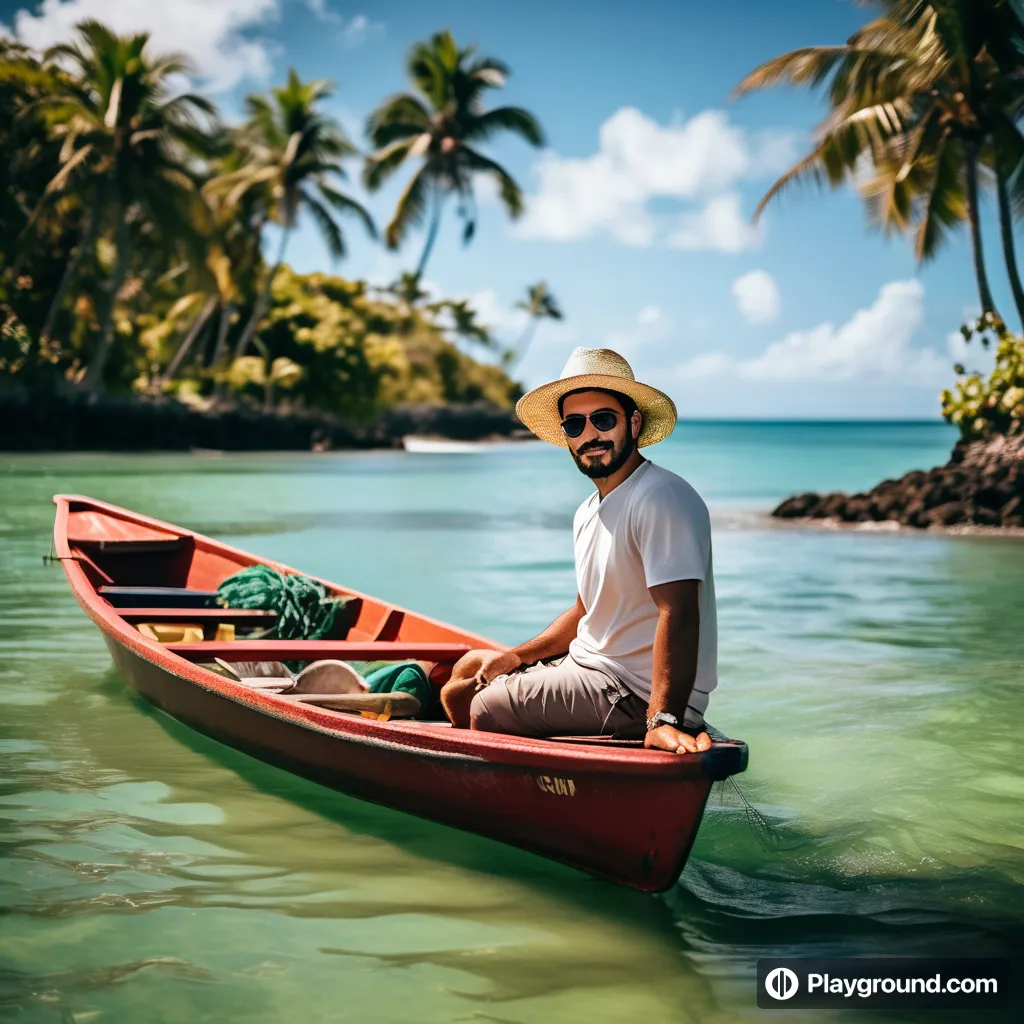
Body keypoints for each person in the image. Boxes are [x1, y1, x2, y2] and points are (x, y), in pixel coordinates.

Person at [441, 347, 716, 754]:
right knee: (467, 671)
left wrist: (663, 719)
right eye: (574, 424)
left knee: (484, 707)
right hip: (589, 669)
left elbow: (679, 611)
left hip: (632, 692)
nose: (590, 435)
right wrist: (515, 657)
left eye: (603, 419)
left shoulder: (661, 497)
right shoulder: (588, 511)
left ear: (634, 423)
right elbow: (585, 612)